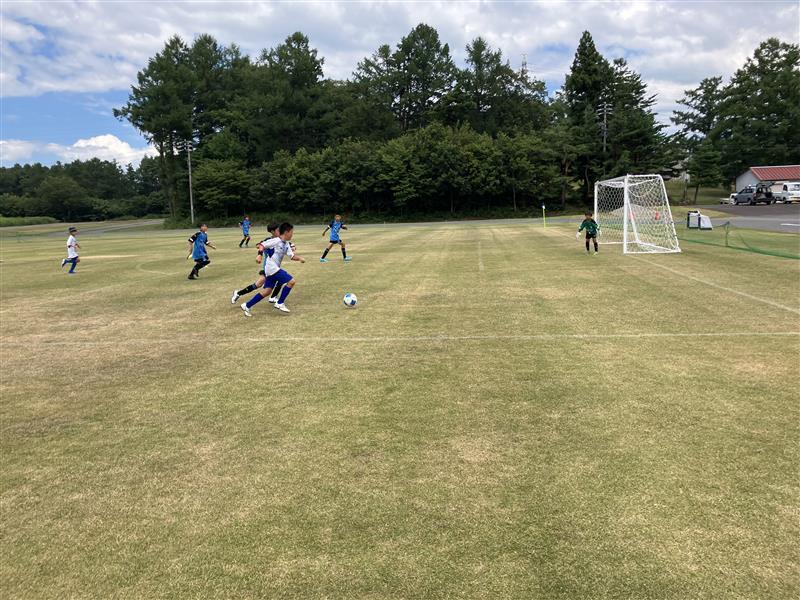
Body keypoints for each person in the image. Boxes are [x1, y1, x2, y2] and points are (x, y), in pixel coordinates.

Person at [241, 222, 305, 316]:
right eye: (291, 232)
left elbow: (292, 256)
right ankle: (280, 303)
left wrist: (299, 258)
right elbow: (262, 245)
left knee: (267, 291)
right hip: (271, 268)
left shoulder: (286, 244)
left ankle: (247, 305)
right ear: (286, 232)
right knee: (291, 282)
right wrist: (259, 255)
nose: (292, 234)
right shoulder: (276, 241)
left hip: (273, 269)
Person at [230, 222, 285, 304]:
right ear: (272, 231)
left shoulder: (280, 240)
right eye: (278, 230)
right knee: (281, 279)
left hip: (273, 267)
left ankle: (238, 293)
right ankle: (273, 297)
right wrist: (260, 253)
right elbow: (259, 245)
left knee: (258, 284)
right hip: (269, 267)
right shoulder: (268, 240)